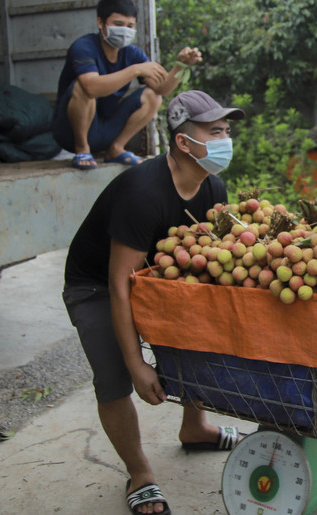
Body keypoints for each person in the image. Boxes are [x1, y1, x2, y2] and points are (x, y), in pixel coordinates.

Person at [62, 90, 245, 515]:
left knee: (198, 338)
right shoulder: (142, 193)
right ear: (183, 143)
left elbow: (205, 264)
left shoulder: (212, 185)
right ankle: (140, 472)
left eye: (226, 131)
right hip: (96, 285)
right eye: (214, 131)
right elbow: (119, 283)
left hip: (153, 277)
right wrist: (136, 362)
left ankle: (195, 427)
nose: (225, 139)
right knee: (113, 379)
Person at [52, 0, 202, 169]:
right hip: (70, 133)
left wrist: (180, 66)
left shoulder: (132, 53)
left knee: (153, 96)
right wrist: (135, 70)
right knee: (82, 87)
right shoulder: (84, 47)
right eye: (118, 24)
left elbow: (162, 89)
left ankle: (116, 148)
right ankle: (82, 149)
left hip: (107, 130)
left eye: (130, 26)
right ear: (100, 23)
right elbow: (91, 87)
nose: (125, 30)